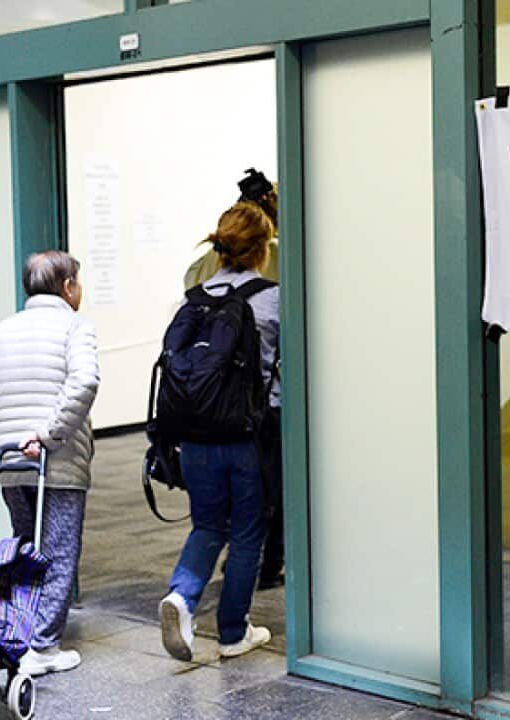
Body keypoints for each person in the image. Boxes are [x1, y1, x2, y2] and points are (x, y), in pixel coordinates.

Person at [0, 251, 100, 677]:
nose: (80, 289)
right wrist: (49, 436)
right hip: (55, 462)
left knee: (25, 545)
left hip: (10, 464)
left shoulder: (1, 331)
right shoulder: (75, 326)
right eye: (77, 281)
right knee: (58, 551)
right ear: (66, 287)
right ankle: (43, 647)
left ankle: (21, 634)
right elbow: (85, 381)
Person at [160, 202, 279, 661]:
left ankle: (181, 598)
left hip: (195, 435)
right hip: (250, 434)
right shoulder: (272, 299)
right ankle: (233, 633)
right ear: (261, 249)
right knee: (249, 531)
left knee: (208, 525)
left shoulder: (195, 298)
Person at [184, 168, 285, 591]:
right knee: (264, 506)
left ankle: (183, 592)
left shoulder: (198, 276)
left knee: (209, 521)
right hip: (260, 411)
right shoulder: (277, 268)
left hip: (203, 410)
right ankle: (259, 579)